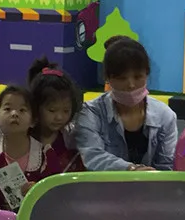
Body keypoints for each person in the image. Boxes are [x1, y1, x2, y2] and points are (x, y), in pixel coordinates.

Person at [75, 36, 178, 171]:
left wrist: (153, 178)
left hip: (152, 184)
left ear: (147, 74)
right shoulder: (91, 113)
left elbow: (166, 165)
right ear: (107, 78)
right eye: (121, 78)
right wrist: (131, 170)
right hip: (105, 185)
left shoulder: (165, 115)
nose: (131, 85)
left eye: (138, 77)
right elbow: (93, 156)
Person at [0, 85, 53, 220]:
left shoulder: (44, 154)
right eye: (7, 109)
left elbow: (53, 184)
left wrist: (38, 188)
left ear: (33, 121)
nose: (14, 114)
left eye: (22, 110)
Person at [27, 57, 84, 172]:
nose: (59, 117)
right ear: (35, 106)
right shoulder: (24, 136)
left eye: (66, 111)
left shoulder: (71, 140)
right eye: (52, 110)